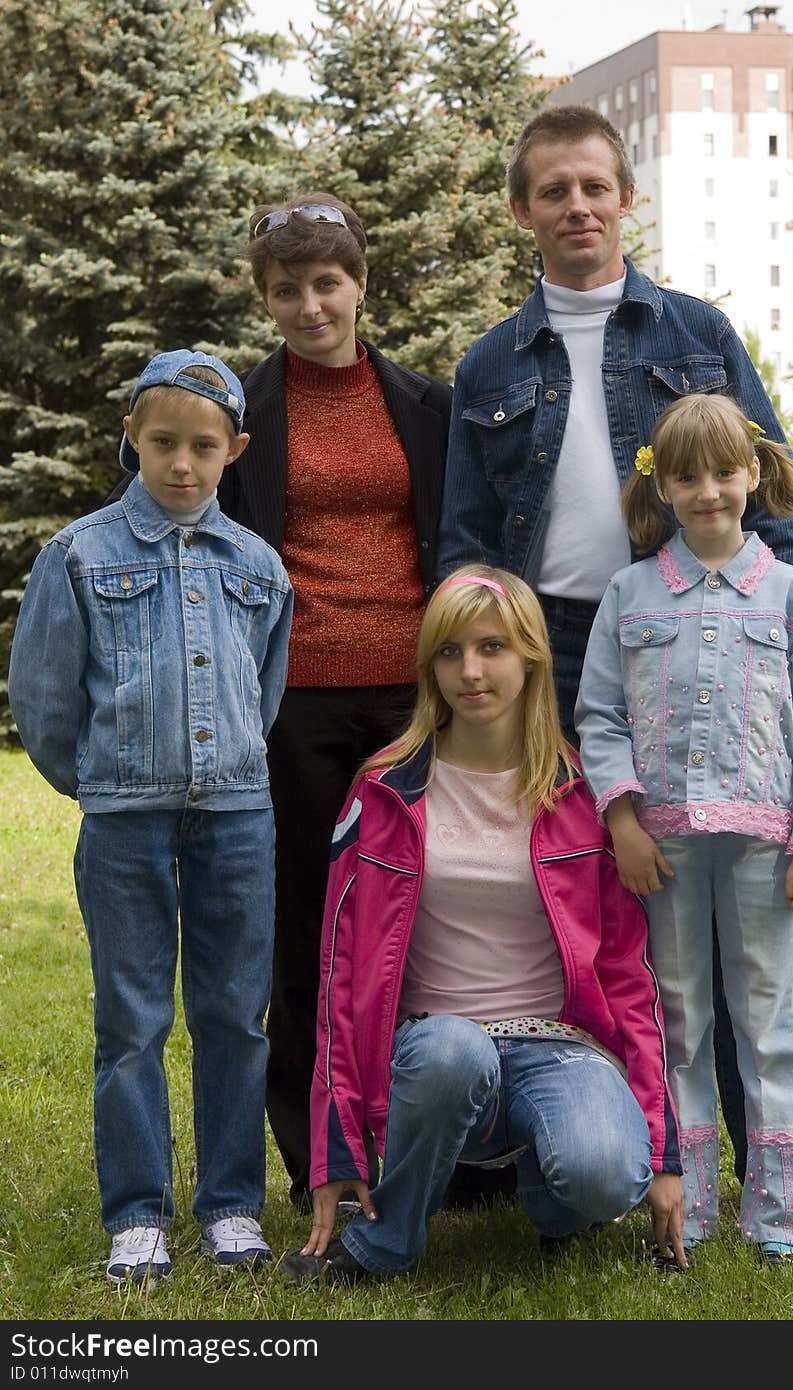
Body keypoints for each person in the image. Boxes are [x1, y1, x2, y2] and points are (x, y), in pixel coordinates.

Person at [436, 101, 793, 1190]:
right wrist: (476, 657)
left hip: (683, 633)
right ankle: (583, 1150)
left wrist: (771, 636)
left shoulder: (696, 337)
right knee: (559, 893)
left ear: (625, 196)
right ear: (522, 209)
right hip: (540, 652)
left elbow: (778, 505)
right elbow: (465, 537)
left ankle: (755, 1164)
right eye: (551, 190)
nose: (575, 206)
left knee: (714, 889)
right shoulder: (489, 365)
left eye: (593, 186)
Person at [106, 195, 452, 1204]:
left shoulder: (424, 405)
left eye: (327, 283)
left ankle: (441, 1144)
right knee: (305, 926)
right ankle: (319, 1159)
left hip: (414, 703)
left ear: (360, 285)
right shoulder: (242, 415)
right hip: (289, 702)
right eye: (287, 288)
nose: (310, 305)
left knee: (420, 921)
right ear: (267, 299)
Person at [280, 565, 687, 1286]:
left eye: (492, 647)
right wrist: (335, 1152)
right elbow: (342, 980)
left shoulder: (581, 794)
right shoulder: (382, 792)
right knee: (453, 1053)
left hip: (557, 1048)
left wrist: (659, 1154)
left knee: (601, 1173)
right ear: (430, 665)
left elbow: (631, 977)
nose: (470, 671)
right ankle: (385, 1243)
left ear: (531, 656)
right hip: (436, 1048)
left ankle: (553, 1200)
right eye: (449, 651)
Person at [8, 351, 294, 1284]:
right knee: (130, 1018)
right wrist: (103, 780)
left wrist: (230, 765)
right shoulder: (79, 555)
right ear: (131, 439)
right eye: (163, 442)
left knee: (233, 1016)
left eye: (202, 447)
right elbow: (45, 704)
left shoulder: (258, 566)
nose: (181, 463)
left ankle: (232, 1208)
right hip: (125, 821)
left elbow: (266, 691)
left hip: (237, 819)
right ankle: (137, 1214)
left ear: (233, 451)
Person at [575, 394, 793, 1266]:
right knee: (680, 1014)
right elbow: (600, 715)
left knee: (769, 1019)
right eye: (686, 475)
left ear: (753, 475)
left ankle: (780, 1215)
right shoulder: (630, 593)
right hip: (661, 847)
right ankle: (683, 1204)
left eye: (723, 473)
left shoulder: (790, 594)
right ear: (661, 485)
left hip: (765, 847)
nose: (707, 492)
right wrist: (620, 818)